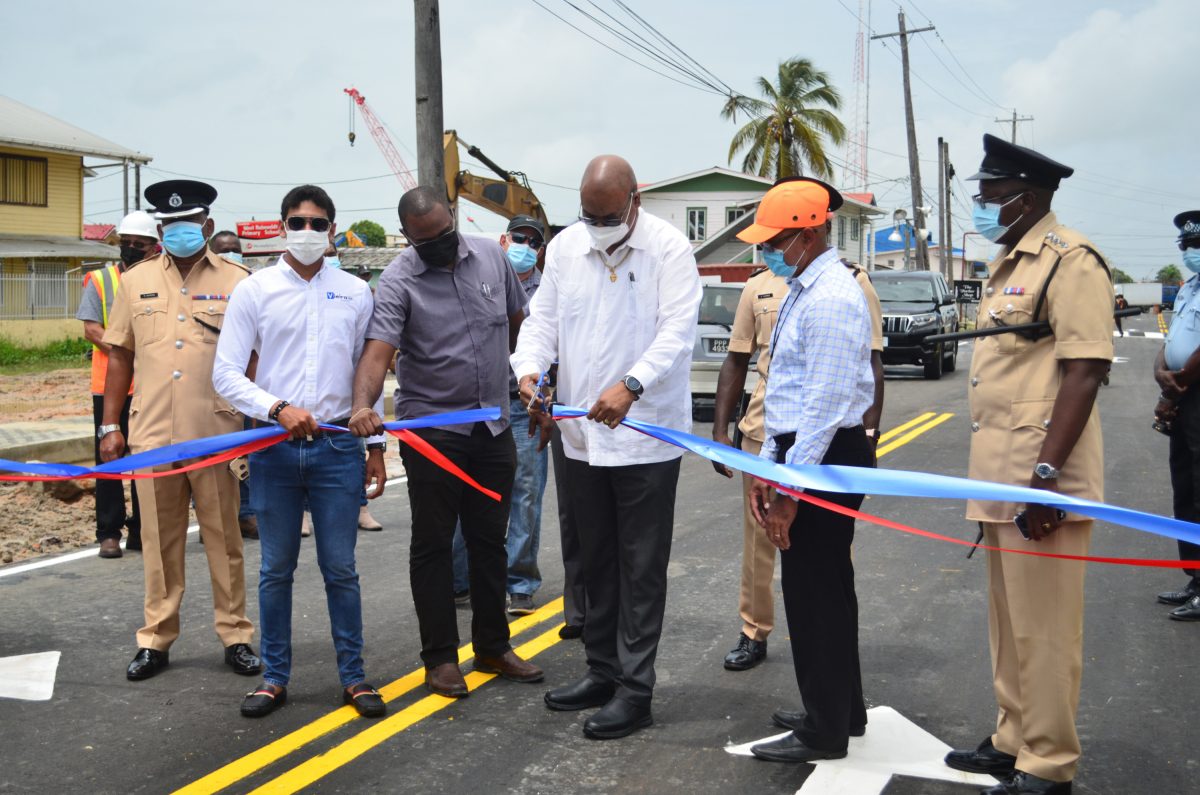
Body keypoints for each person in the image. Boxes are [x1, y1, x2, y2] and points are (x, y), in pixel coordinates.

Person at [943, 134, 1113, 795]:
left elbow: (1085, 368)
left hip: (1041, 480)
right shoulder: (1012, 262)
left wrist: (1046, 480)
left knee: (1044, 630)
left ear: (1028, 197)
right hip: (999, 472)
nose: (983, 208)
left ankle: (1048, 762)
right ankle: (1013, 735)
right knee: (1009, 624)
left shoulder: (1070, 261)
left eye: (991, 198)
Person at [513, 155, 702, 740]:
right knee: (591, 559)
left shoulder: (668, 249)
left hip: (643, 434)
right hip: (578, 435)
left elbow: (677, 331)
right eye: (588, 215)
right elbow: (541, 320)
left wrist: (632, 384)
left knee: (639, 566)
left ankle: (635, 690)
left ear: (634, 202)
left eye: (608, 216)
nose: (598, 226)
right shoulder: (568, 247)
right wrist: (528, 370)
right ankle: (601, 670)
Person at [349, 185, 544, 699]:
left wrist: (527, 375)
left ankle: (493, 647)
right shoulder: (398, 280)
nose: (438, 245)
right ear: (409, 238)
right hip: (433, 433)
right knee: (433, 545)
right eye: (424, 240)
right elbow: (376, 353)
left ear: (454, 218)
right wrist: (363, 407)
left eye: (444, 234)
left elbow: (520, 324)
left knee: (489, 542)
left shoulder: (489, 257)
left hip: (494, 428)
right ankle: (440, 658)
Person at [213, 184, 387, 719]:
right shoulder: (254, 290)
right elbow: (224, 374)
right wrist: (277, 407)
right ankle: (274, 678)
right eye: (297, 222)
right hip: (275, 449)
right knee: (275, 570)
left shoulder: (357, 292)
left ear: (333, 230)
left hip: (338, 448)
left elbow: (370, 372)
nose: (307, 232)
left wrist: (376, 444)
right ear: (282, 225)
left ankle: (354, 679)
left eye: (317, 223)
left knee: (341, 569)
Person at [724, 178, 873, 764]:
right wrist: (768, 466)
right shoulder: (803, 288)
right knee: (827, 588)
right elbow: (781, 391)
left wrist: (790, 486)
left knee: (815, 594)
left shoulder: (832, 296)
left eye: (776, 241)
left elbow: (825, 404)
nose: (768, 252)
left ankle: (824, 729)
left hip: (824, 455)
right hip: (804, 451)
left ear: (808, 235)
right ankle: (841, 709)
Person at [99, 180, 259, 682]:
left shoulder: (239, 281)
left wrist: (255, 423)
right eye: (168, 226)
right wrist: (110, 424)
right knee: (158, 541)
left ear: (207, 227)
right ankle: (156, 638)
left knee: (224, 539)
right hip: (150, 434)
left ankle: (235, 636)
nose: (177, 233)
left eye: (187, 225)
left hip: (217, 432)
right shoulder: (134, 280)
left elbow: (255, 358)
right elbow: (119, 354)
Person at [451, 215, 550, 616]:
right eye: (519, 238)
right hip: (479, 403)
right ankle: (458, 580)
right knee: (465, 492)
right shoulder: (477, 278)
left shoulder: (548, 290)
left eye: (533, 241)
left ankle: (520, 583)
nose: (525, 245)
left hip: (527, 404)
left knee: (526, 493)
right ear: (503, 240)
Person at [78, 210, 155, 558]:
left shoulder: (159, 279)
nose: (131, 249)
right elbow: (92, 328)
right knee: (109, 457)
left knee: (145, 457)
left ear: (154, 247)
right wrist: (127, 353)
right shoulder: (99, 280)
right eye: (126, 243)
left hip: (149, 385)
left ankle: (141, 529)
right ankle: (109, 532)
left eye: (139, 244)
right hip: (108, 386)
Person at [1151, 210, 1200, 621]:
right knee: (1185, 486)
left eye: (1198, 245)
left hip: (1193, 390)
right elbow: (1172, 339)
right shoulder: (1188, 289)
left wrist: (1176, 385)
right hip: (1183, 393)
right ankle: (1196, 577)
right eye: (1187, 245)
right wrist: (1161, 373)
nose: (1191, 252)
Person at [208, 230, 258, 541]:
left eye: (235, 249)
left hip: (245, 386)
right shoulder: (202, 285)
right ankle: (211, 518)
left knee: (245, 452)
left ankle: (246, 513)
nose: (230, 254)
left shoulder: (252, 284)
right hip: (209, 385)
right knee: (212, 459)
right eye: (224, 249)